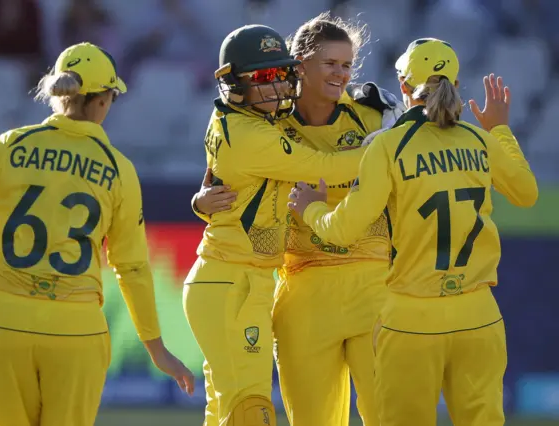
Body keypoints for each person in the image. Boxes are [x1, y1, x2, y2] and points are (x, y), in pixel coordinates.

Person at [0, 42, 194, 426]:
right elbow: (132, 268)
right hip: (75, 332)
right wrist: (156, 349)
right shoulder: (118, 170)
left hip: (5, 322)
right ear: (103, 100)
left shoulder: (9, 146)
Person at [288, 38, 538, 426]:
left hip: (411, 320)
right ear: (455, 82)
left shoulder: (389, 145)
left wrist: (311, 209)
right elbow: (527, 193)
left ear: (404, 87)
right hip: (479, 316)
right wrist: (501, 130)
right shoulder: (479, 139)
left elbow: (342, 231)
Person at [191, 13, 404, 426]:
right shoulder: (266, 119)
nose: (341, 74)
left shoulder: (374, 116)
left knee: (391, 416)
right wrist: (200, 202)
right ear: (299, 64)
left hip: (374, 288)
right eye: (330, 64)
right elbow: (222, 181)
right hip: (302, 289)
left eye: (347, 65)